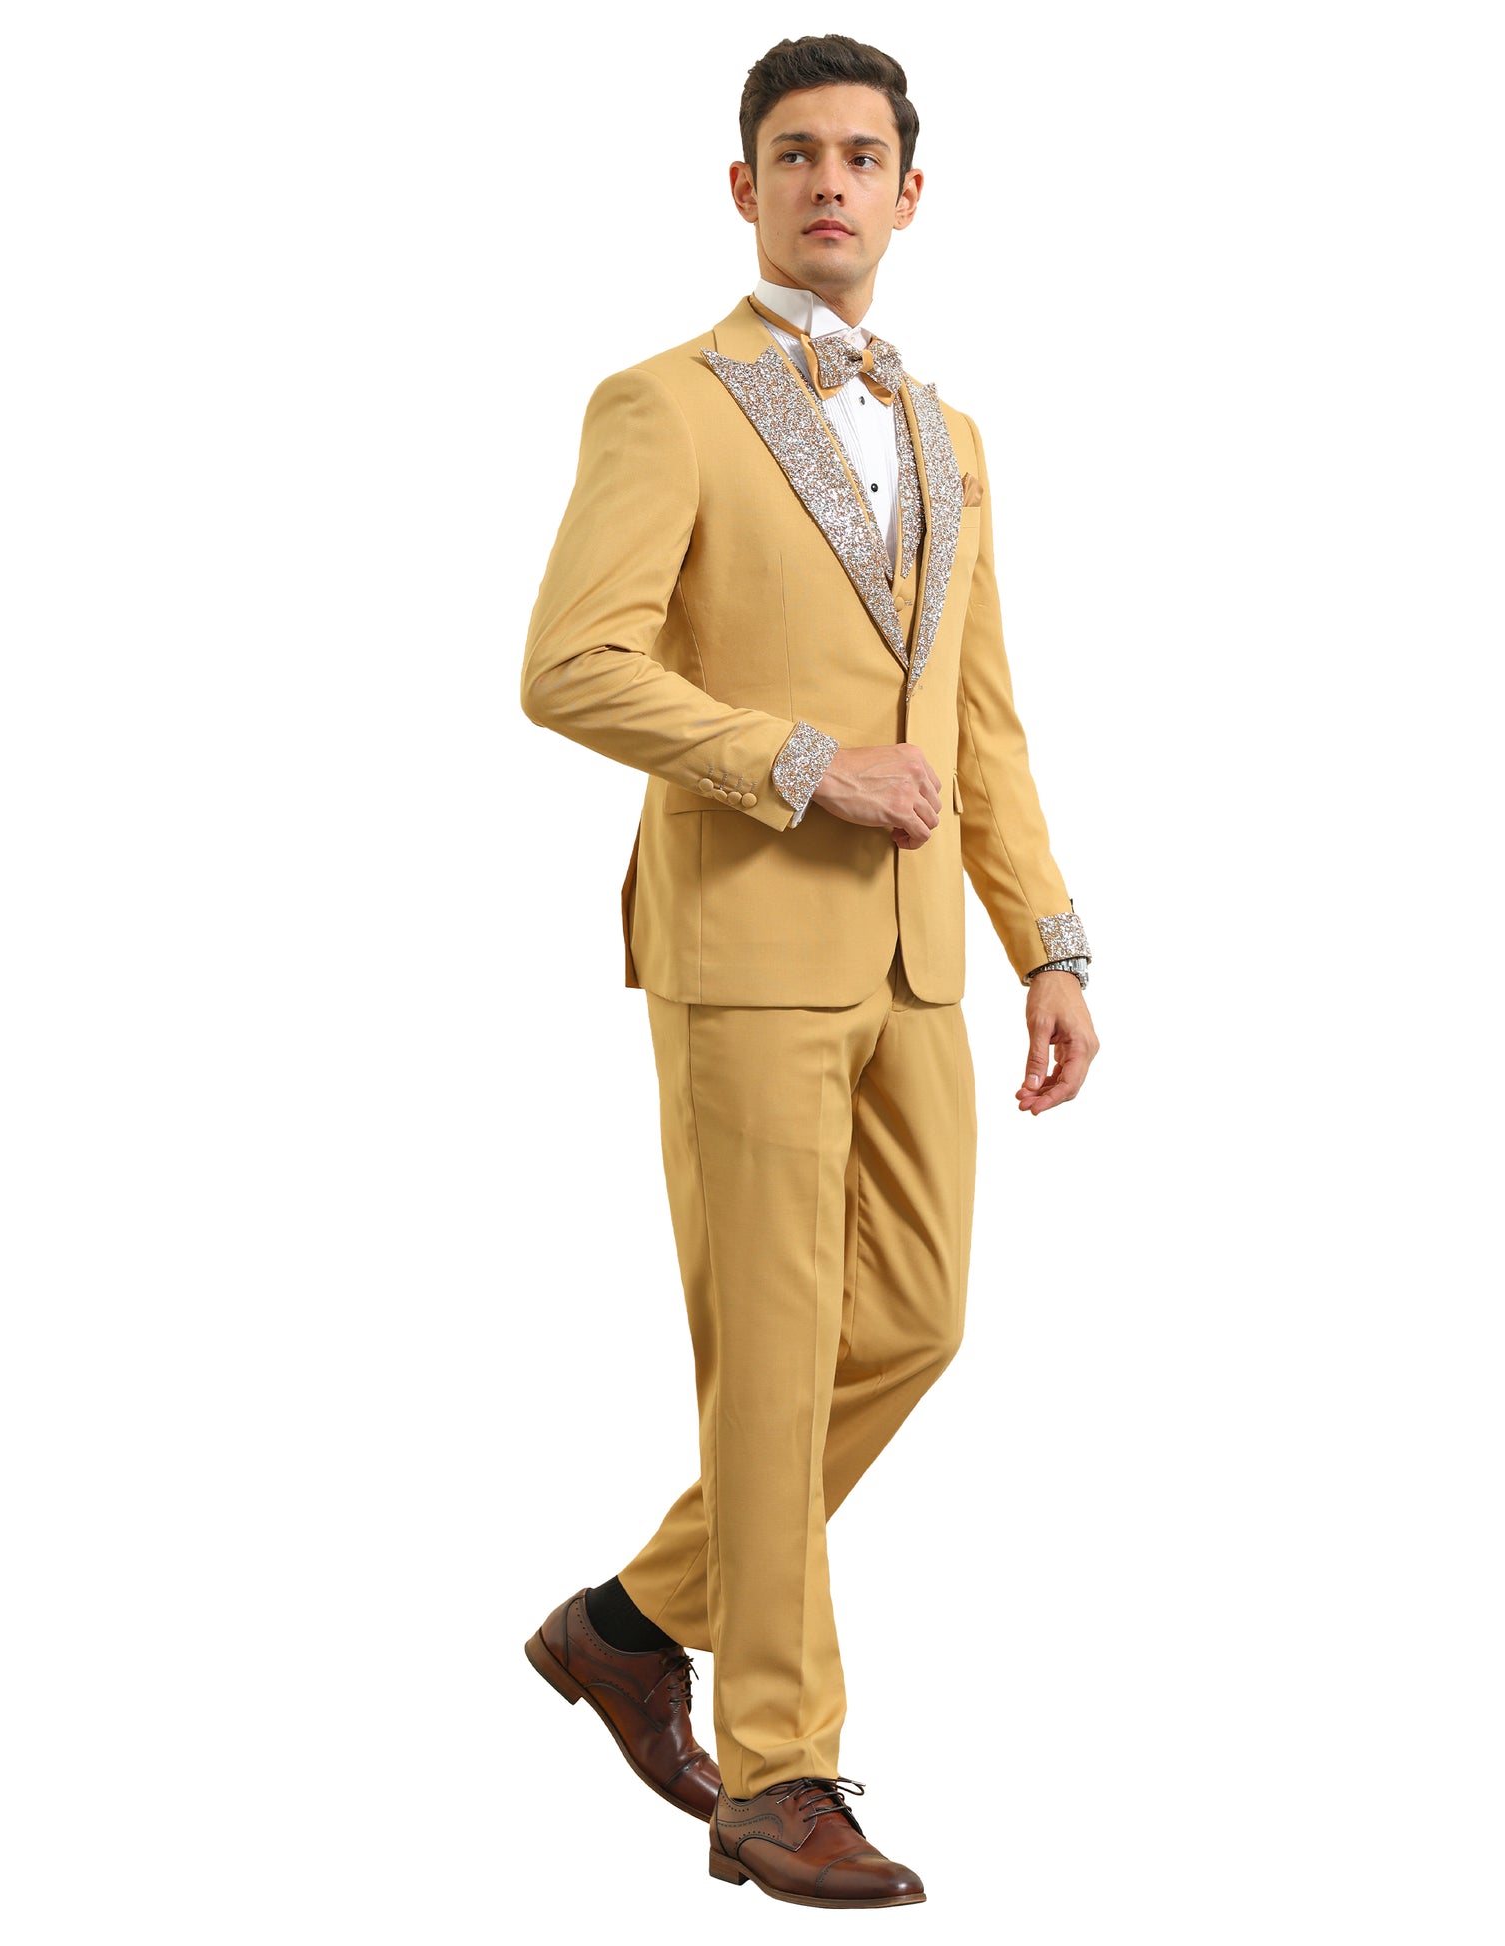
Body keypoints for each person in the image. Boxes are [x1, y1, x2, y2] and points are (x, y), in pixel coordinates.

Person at [517, 33, 1098, 1910]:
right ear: (744, 188)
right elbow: (570, 664)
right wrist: (797, 762)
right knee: (768, 1362)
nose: (828, 181)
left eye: (859, 155)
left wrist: (1045, 941)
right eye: (794, 154)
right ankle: (777, 1774)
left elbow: (980, 717)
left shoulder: (950, 436)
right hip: (748, 948)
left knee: (914, 1323)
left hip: (919, 960)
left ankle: (627, 1622)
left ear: (909, 194)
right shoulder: (661, 405)